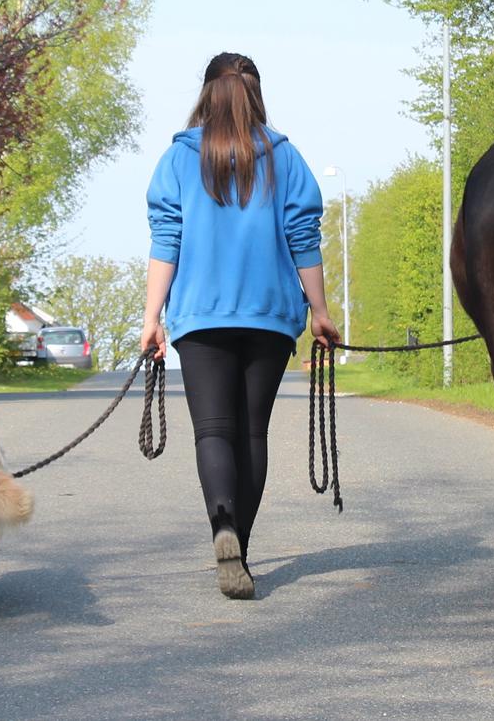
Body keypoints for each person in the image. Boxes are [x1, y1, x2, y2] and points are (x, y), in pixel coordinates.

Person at [140, 52, 340, 600]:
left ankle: (222, 526)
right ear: (255, 96)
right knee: (252, 433)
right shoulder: (286, 157)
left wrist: (152, 318)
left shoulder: (179, 159)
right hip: (270, 317)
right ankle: (242, 554)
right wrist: (319, 312)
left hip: (200, 317)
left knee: (214, 432)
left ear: (206, 94)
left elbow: (167, 240)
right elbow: (304, 237)